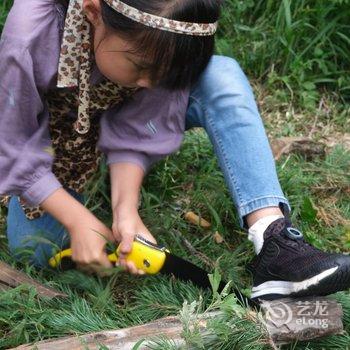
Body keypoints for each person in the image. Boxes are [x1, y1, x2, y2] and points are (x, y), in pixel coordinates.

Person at [0, 0, 349, 301]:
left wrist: (126, 210)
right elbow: (12, 139)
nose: (153, 83)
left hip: (115, 116)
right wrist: (76, 219)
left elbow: (139, 118)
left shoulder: (164, 39)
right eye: (141, 67)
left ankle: (275, 241)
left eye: (166, 73)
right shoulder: (30, 34)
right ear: (94, 12)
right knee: (36, 247)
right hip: (55, 141)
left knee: (221, 76)